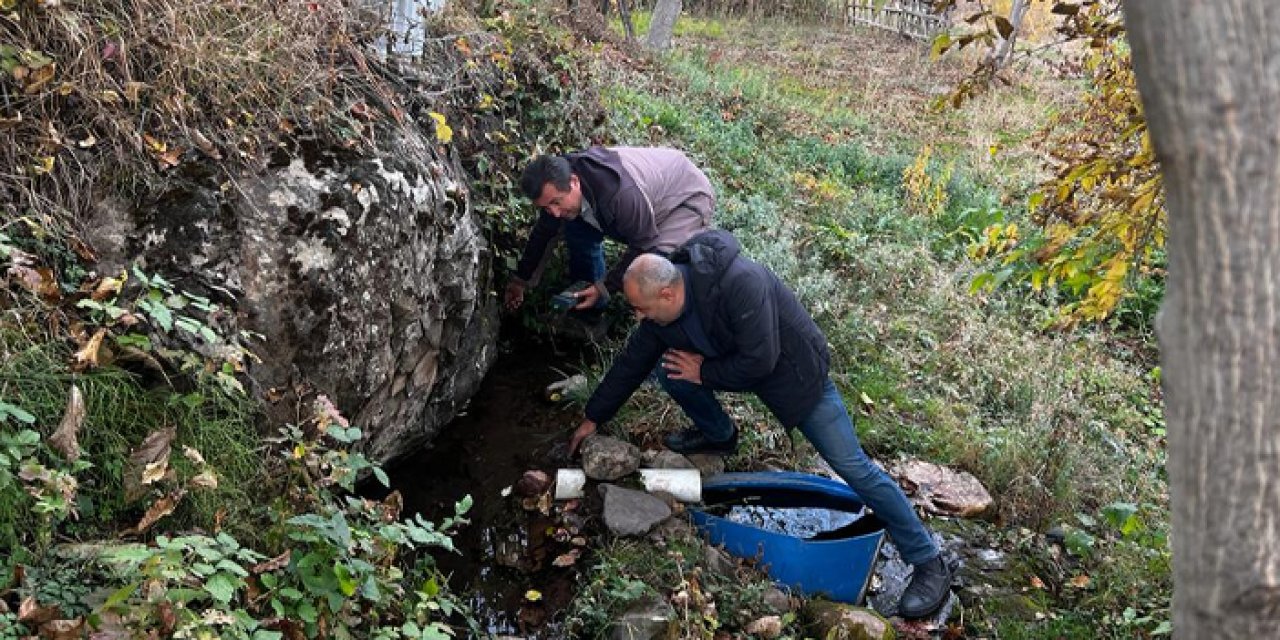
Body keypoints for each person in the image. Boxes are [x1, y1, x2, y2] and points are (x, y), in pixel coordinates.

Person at [566, 230, 954, 619]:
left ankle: (928, 561)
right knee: (671, 370)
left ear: (666, 295)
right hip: (731, 365)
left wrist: (705, 372)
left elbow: (760, 361)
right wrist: (593, 417)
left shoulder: (739, 283)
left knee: (854, 467)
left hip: (793, 376)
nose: (639, 318)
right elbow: (632, 362)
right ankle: (719, 436)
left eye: (642, 310)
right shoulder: (661, 312)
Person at [504, 146, 715, 313]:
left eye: (556, 203)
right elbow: (545, 233)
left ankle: (661, 324)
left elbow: (644, 246)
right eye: (546, 207)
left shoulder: (619, 196)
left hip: (683, 197)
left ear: (574, 182)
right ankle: (588, 302)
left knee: (656, 264)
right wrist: (521, 281)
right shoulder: (557, 186)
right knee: (573, 226)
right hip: (640, 200)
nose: (555, 212)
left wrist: (606, 287)